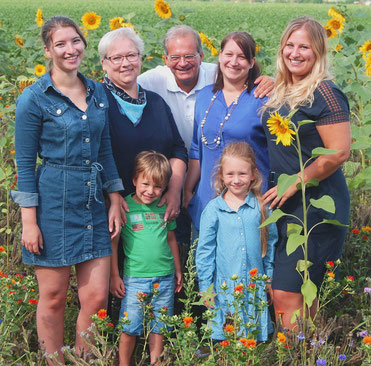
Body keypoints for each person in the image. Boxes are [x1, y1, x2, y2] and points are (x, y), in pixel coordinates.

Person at [10, 16, 123, 364]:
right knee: (55, 296)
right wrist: (29, 222)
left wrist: (115, 196)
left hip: (92, 204)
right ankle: (54, 361)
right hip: (53, 205)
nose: (70, 49)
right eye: (60, 44)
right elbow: (25, 165)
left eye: (75, 41)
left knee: (96, 300)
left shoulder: (98, 92)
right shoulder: (34, 99)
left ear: (83, 44)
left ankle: (87, 359)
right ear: (48, 50)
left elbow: (105, 149)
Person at [261, 17, 351, 329]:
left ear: (318, 52)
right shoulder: (286, 88)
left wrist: (296, 181)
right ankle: (310, 353)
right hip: (287, 202)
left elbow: (339, 151)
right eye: (290, 45)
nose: (295, 53)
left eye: (305, 47)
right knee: (300, 293)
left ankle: (296, 355)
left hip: (316, 203)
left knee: (287, 292)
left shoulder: (325, 92)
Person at [184, 31, 270, 238]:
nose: (234, 61)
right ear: (220, 56)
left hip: (248, 202)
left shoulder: (264, 98)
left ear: (251, 63)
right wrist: (188, 190)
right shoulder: (205, 96)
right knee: (204, 265)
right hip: (207, 201)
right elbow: (197, 149)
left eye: (242, 57)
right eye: (229, 54)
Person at [98, 27, 187, 224]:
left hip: (155, 213)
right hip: (112, 212)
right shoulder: (96, 102)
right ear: (104, 63)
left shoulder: (156, 103)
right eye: (116, 58)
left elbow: (178, 150)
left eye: (131, 55)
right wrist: (111, 197)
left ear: (140, 58)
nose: (125, 63)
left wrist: (173, 191)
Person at [138, 25, 274, 151]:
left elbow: (243, 74)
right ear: (165, 59)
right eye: (175, 57)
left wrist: (272, 81)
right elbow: (122, 85)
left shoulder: (218, 75)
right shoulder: (151, 81)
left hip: (217, 164)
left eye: (189, 56)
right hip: (170, 164)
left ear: (201, 56)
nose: (183, 63)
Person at [196, 142, 277, 341]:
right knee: (227, 341)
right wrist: (206, 288)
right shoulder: (214, 210)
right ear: (221, 175)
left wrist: (269, 277)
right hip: (225, 290)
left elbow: (271, 243)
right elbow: (204, 251)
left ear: (253, 175)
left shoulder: (263, 208)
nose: (236, 180)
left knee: (251, 345)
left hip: (254, 288)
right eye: (230, 174)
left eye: (242, 174)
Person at [110, 151, 183, 366]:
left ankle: (156, 362)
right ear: (134, 181)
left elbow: (171, 239)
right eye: (145, 184)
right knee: (129, 326)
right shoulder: (124, 205)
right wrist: (114, 276)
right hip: (135, 279)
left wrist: (178, 270)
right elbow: (114, 243)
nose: (151, 191)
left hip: (165, 277)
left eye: (158, 186)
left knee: (159, 326)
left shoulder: (163, 206)